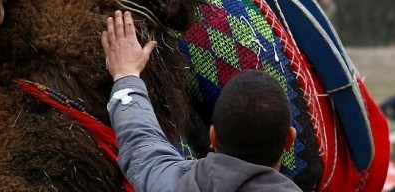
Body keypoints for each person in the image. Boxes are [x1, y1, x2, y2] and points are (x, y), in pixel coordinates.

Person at [101, 10, 301, 192]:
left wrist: (125, 74)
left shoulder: (174, 184)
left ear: (213, 136)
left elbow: (141, 145)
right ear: (289, 140)